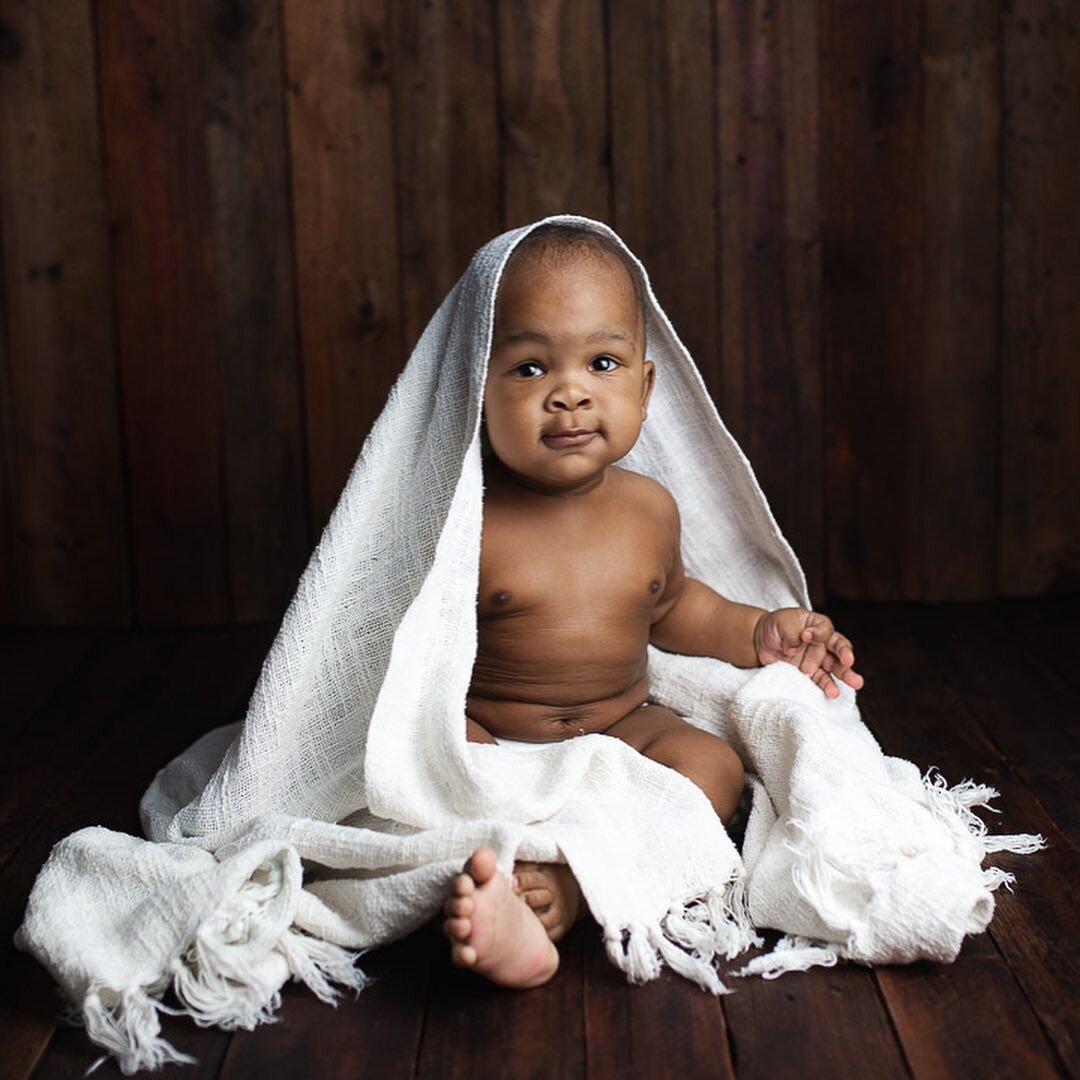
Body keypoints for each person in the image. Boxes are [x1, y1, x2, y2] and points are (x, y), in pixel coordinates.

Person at [442, 223, 864, 989]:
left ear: (643, 388)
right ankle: (509, 885)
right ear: (476, 385)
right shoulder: (463, 521)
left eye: (600, 363)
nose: (569, 392)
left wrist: (763, 629)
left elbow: (674, 610)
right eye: (530, 366)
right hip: (498, 734)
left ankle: (574, 887)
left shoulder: (649, 512)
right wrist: (447, 740)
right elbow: (411, 657)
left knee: (714, 769)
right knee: (445, 775)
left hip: (622, 723)